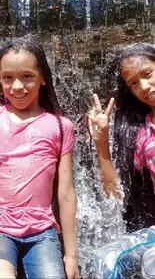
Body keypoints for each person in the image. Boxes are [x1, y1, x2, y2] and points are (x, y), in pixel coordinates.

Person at [0, 36, 79, 279]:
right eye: (7, 78)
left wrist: (72, 255)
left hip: (42, 232)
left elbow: (65, 193)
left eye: (27, 76)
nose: (17, 86)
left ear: (42, 77)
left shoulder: (60, 125)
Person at [87, 43, 155, 278]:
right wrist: (101, 141)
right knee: (107, 259)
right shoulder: (144, 135)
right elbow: (117, 189)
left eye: (148, 74)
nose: (144, 87)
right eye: (133, 83)